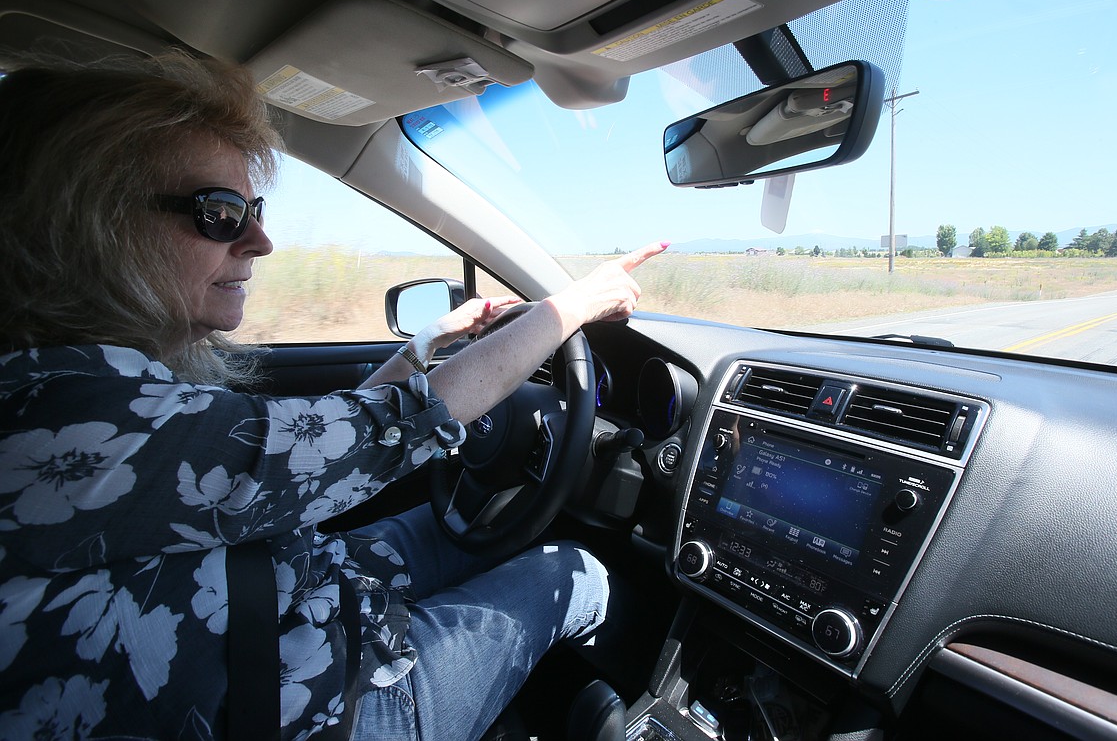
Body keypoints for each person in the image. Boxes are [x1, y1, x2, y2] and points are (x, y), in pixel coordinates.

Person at [0, 50, 668, 740]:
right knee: (577, 569)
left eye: (253, 209)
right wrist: (572, 305)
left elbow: (330, 439)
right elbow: (393, 428)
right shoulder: (94, 435)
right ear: (93, 226)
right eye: (222, 213)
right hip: (319, 706)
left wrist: (424, 345)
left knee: (459, 528)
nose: (261, 241)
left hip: (284, 601)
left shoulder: (64, 394)